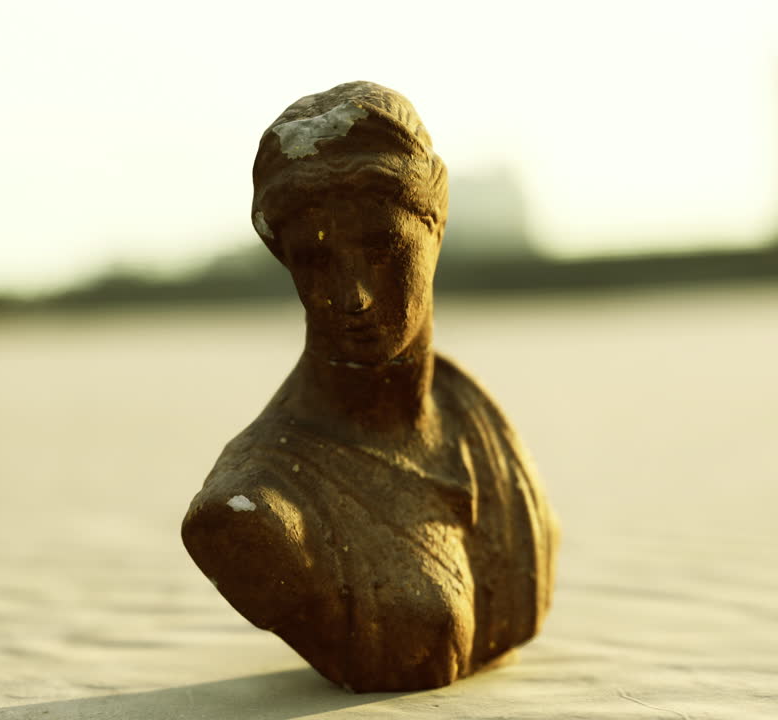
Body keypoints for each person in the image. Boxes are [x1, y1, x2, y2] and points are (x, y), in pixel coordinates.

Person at [181, 81, 559, 692]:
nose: (352, 295)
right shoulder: (252, 510)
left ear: (434, 227)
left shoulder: (477, 415)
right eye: (315, 260)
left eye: (381, 247)